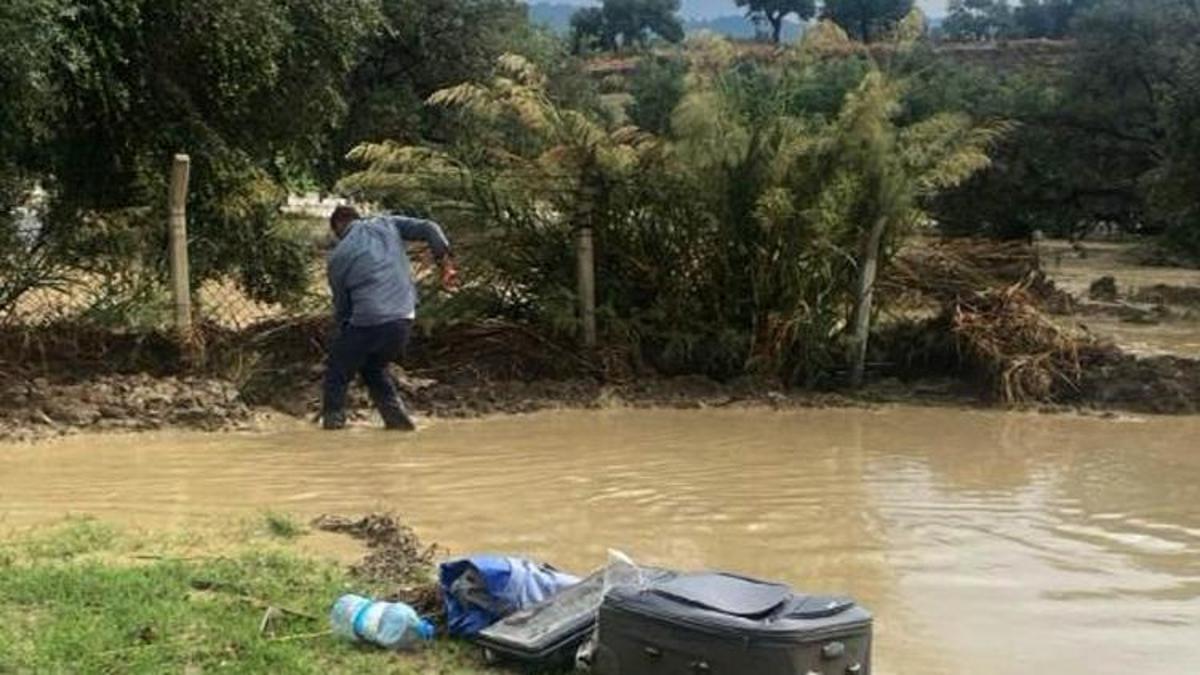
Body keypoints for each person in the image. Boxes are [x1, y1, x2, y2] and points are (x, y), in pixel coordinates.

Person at [321, 205, 457, 430]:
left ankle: (332, 424)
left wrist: (344, 335)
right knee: (373, 368)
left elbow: (343, 308)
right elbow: (430, 227)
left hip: (368, 321)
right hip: (404, 319)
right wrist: (444, 262)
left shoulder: (338, 257)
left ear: (337, 227)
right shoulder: (387, 223)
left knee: (338, 371)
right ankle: (397, 421)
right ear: (358, 217)